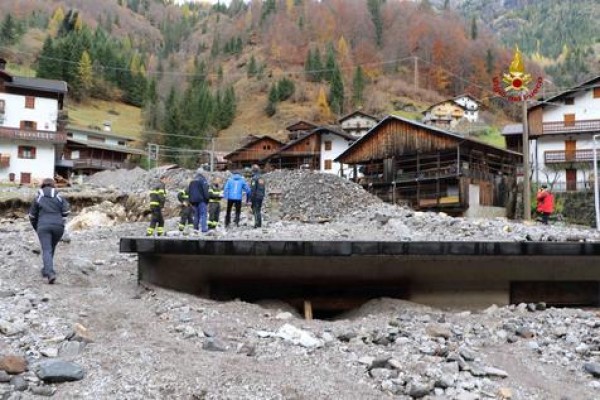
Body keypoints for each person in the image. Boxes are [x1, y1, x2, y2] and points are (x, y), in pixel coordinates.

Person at [28, 178, 70, 284]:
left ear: (42, 185)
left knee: (46, 249)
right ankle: (46, 269)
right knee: (51, 248)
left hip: (43, 226)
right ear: (53, 185)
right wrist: (61, 221)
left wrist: (36, 227)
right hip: (58, 227)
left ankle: (50, 273)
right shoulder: (59, 196)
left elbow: (32, 216)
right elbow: (66, 211)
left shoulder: (38, 198)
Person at [188, 168, 210, 233]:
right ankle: (204, 229)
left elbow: (190, 191)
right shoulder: (203, 180)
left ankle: (195, 228)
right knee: (203, 214)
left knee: (196, 215)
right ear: (202, 173)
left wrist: (190, 200)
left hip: (193, 201)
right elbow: (205, 190)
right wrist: (207, 199)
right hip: (201, 200)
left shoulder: (192, 181)